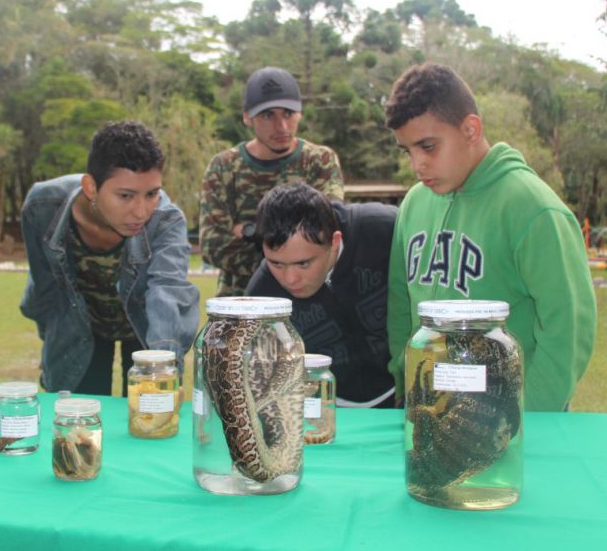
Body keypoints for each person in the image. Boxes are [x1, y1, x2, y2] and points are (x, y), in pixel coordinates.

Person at [384, 62, 596, 411]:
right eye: (408, 151)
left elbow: (568, 330)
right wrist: (404, 381)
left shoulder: (534, 208)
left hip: (508, 425)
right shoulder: (413, 204)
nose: (417, 165)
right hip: (428, 414)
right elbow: (399, 303)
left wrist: (525, 420)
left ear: (470, 129)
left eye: (428, 147)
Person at [20, 121, 200, 394]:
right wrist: (53, 346)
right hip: (82, 328)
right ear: (91, 187)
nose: (141, 212)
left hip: (145, 328)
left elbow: (168, 290)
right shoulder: (41, 207)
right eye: (126, 196)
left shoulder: (166, 220)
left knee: (150, 420)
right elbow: (46, 290)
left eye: (152, 194)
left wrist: (163, 367)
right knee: (78, 427)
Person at [246, 183, 397, 408]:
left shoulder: (388, 229)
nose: (290, 279)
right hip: (325, 407)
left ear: (334, 242)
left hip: (408, 393)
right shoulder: (262, 296)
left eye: (304, 263)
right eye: (276, 263)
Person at [200, 66, 345, 297]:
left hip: (309, 307)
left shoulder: (320, 161)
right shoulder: (224, 167)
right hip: (242, 304)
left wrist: (251, 232)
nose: (282, 127)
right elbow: (213, 246)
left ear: (300, 113)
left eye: (288, 113)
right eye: (268, 115)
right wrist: (297, 254)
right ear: (247, 117)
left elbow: (327, 231)